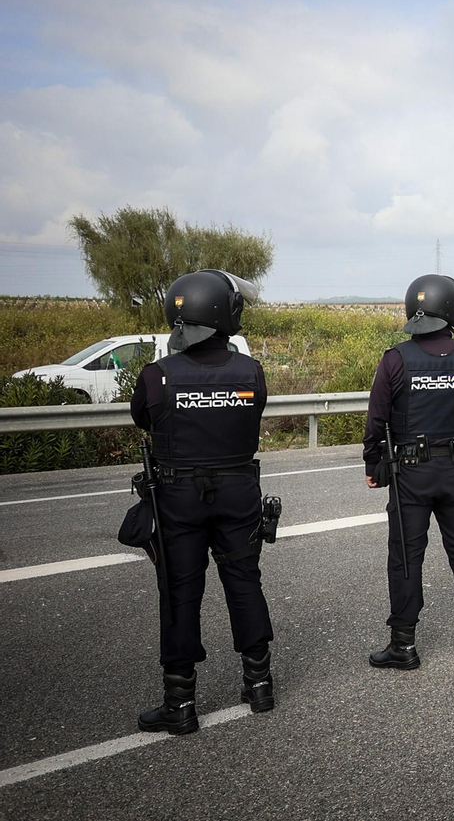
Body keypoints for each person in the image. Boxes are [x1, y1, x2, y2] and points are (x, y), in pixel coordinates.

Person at [132, 269, 274, 734]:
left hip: (177, 497)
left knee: (179, 593)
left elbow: (141, 417)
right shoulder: (251, 372)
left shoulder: (158, 375)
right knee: (244, 583)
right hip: (238, 491)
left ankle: (180, 704)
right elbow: (254, 410)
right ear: (221, 315)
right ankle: (259, 686)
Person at [364, 275, 454, 669]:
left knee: (407, 556)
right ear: (452, 309)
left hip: (410, 473)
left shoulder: (396, 359)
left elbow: (377, 420)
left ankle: (403, 645)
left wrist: (374, 464)